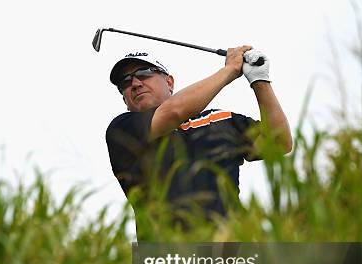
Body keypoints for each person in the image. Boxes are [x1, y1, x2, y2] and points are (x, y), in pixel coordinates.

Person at [105, 46, 292, 237]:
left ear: (169, 82)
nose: (135, 83)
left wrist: (259, 81)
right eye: (125, 82)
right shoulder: (121, 130)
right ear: (124, 98)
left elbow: (280, 142)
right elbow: (173, 112)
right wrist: (229, 71)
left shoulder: (220, 119)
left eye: (144, 73)